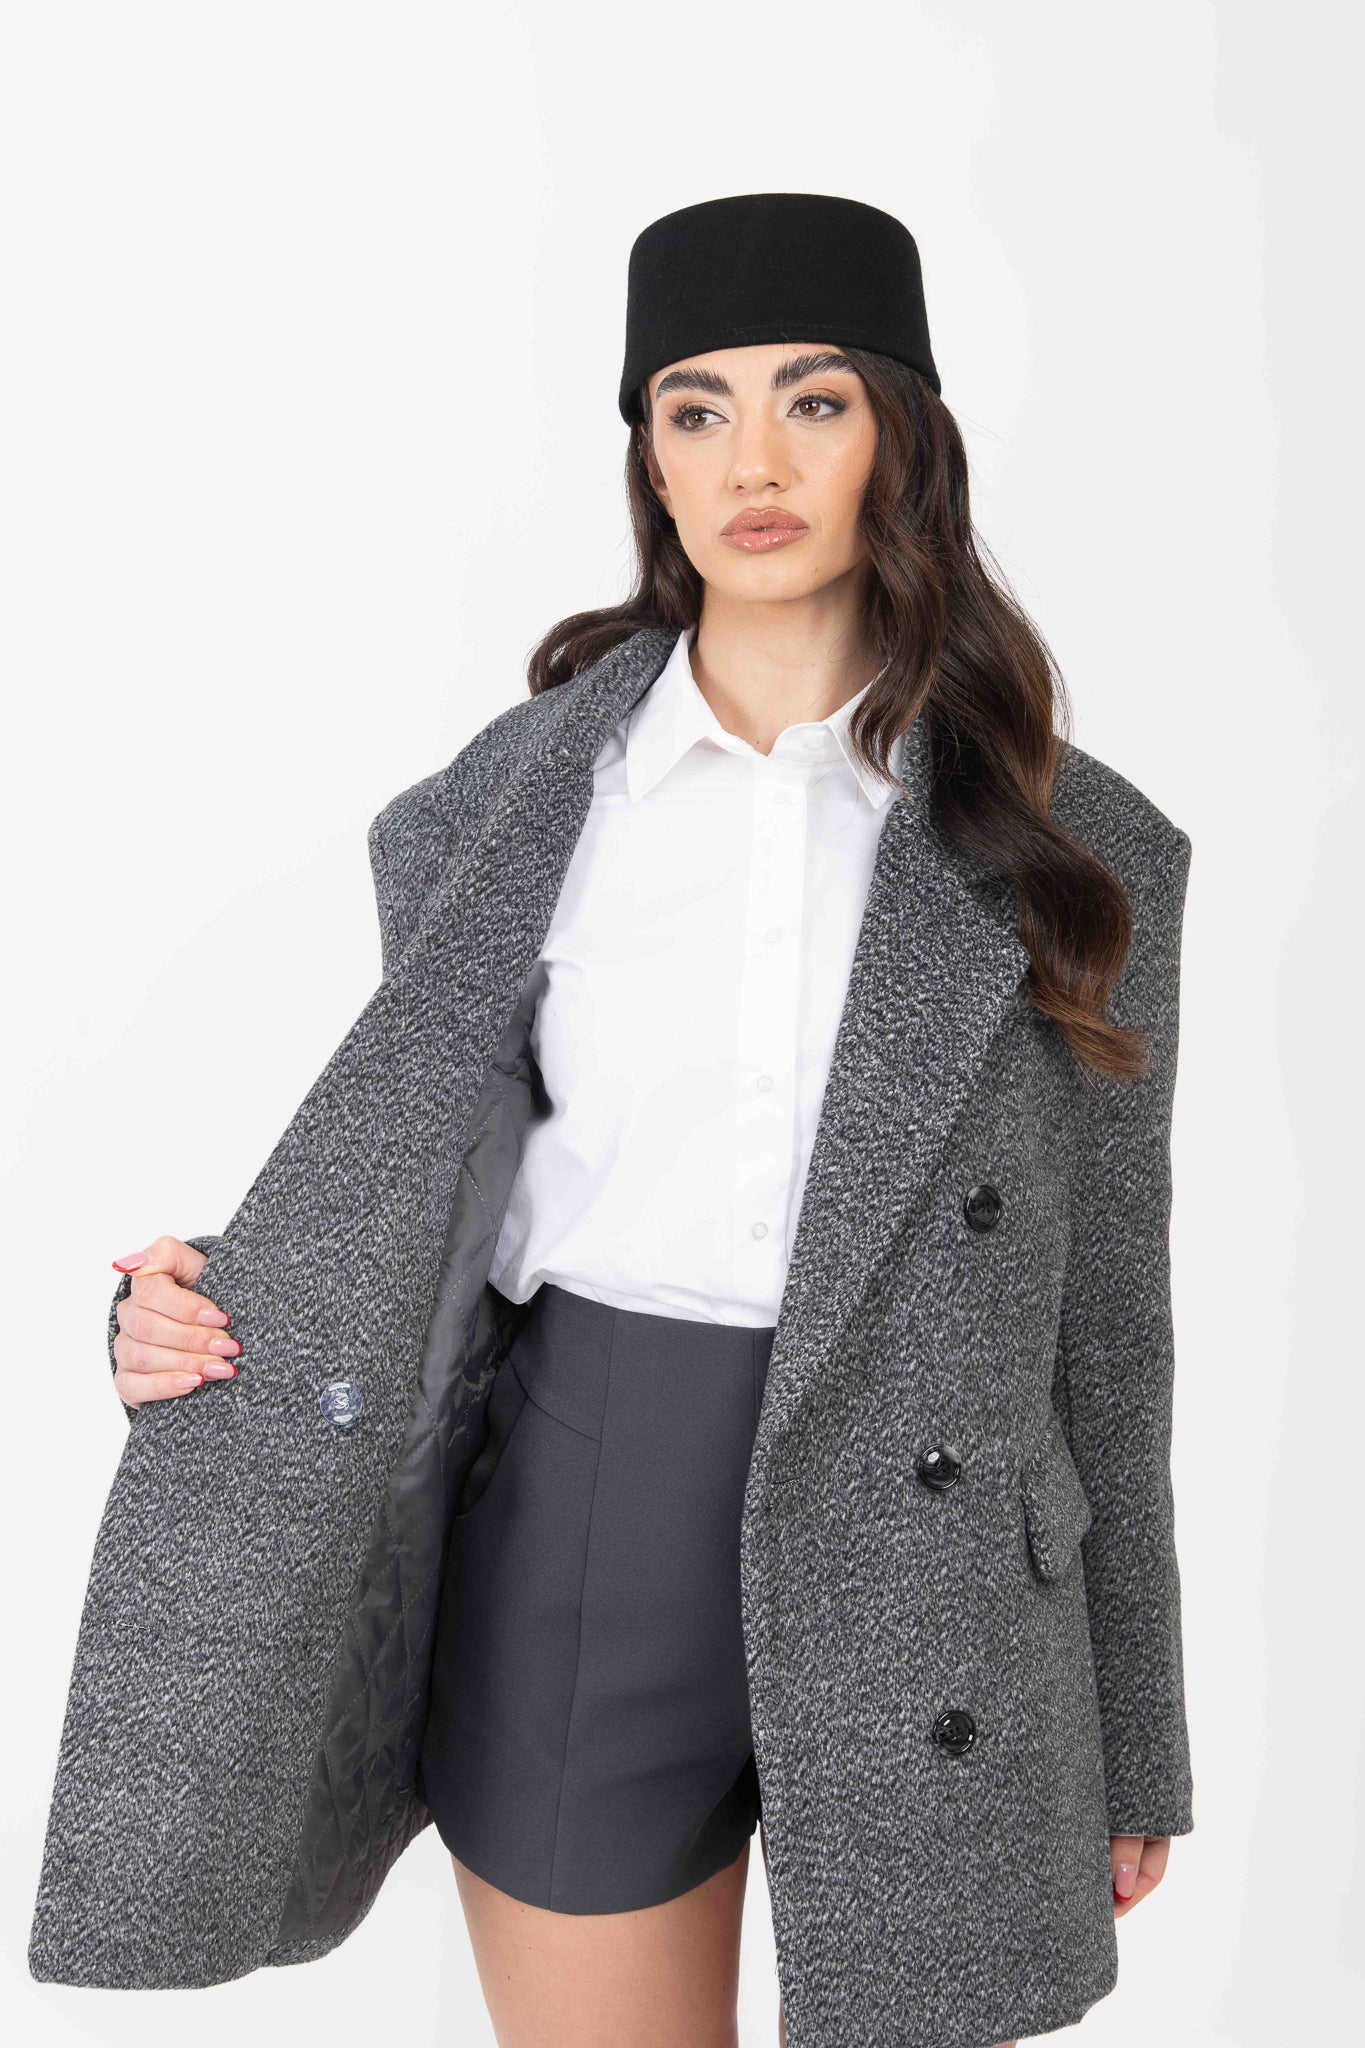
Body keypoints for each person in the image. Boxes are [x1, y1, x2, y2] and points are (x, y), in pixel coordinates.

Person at [34, 194, 1195, 2048]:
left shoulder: (1079, 850)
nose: (752, 463)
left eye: (813, 402)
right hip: (589, 1503)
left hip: (943, 1556)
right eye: (693, 408)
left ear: (901, 435)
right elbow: (430, 1186)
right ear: (648, 457)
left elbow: (1110, 1325)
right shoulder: (500, 806)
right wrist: (199, 1314)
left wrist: (1137, 1727)